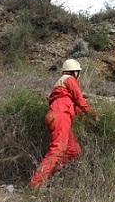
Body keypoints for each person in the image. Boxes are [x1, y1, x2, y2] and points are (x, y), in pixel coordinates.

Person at [29, 58, 98, 188]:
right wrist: (94, 116)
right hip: (60, 115)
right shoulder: (69, 79)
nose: (78, 75)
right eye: (77, 72)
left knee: (73, 150)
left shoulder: (62, 86)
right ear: (74, 72)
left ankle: (46, 176)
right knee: (58, 149)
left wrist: (85, 115)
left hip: (57, 114)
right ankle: (36, 183)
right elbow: (79, 99)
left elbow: (75, 105)